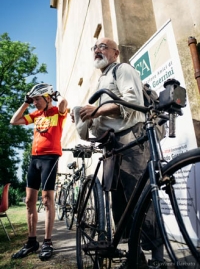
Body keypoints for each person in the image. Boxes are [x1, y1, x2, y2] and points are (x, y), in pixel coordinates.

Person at [71, 38, 165, 269]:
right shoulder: (102, 79)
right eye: (94, 48)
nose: (97, 50)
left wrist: (95, 110)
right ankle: (135, 259)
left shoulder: (122, 69)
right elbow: (101, 115)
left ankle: (158, 258)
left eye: (103, 46)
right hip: (112, 146)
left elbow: (130, 101)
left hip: (130, 138)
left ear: (115, 52)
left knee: (141, 197)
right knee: (121, 203)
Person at [10, 83, 68, 261]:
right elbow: (14, 121)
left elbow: (64, 103)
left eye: (37, 99)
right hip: (34, 159)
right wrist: (26, 103)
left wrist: (55, 97)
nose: (35, 102)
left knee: (47, 199)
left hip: (50, 159)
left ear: (47, 98)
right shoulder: (36, 115)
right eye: (33, 99)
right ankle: (31, 241)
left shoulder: (57, 113)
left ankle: (47, 242)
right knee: (29, 201)